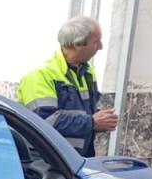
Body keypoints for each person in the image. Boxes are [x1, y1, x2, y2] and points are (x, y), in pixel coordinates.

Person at [18, 16, 118, 157]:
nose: (101, 47)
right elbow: (45, 121)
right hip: (45, 163)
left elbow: (80, 111)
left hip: (73, 162)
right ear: (77, 44)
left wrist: (100, 118)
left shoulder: (87, 72)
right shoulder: (39, 76)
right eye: (96, 42)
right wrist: (92, 122)